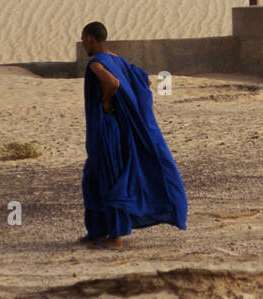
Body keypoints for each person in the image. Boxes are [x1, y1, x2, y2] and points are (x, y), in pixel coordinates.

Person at [79, 21, 188, 249]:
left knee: (110, 176)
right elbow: (144, 78)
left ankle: (115, 237)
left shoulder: (95, 64)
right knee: (92, 178)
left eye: (83, 40)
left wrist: (107, 101)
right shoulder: (118, 59)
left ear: (89, 39)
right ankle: (97, 231)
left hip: (107, 130)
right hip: (117, 128)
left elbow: (113, 82)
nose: (83, 45)